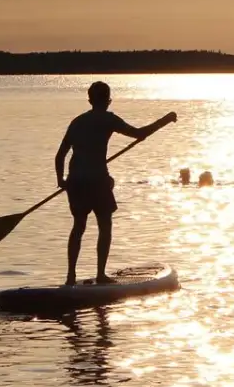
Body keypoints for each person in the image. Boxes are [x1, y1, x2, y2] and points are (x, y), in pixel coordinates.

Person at [55, 81, 175, 286]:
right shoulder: (108, 119)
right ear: (108, 100)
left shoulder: (77, 122)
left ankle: (70, 277)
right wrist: (165, 120)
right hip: (97, 180)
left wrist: (61, 180)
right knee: (105, 225)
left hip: (75, 181)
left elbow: (60, 155)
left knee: (78, 227)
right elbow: (139, 134)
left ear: (90, 100)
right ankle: (100, 275)